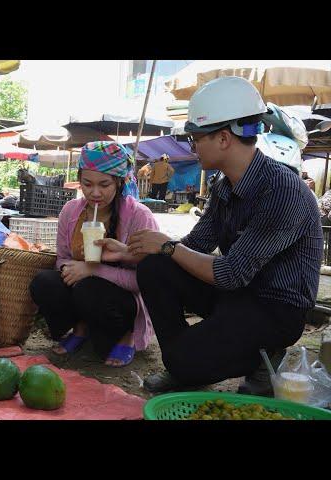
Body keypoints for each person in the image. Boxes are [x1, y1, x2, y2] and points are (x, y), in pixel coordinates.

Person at [131, 76, 323, 395]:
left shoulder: (283, 190)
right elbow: (193, 247)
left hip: (276, 307)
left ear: (223, 138)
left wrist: (165, 245)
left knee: (185, 357)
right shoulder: (224, 187)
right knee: (154, 267)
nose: (192, 146)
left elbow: (231, 273)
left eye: (195, 137)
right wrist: (132, 250)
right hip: (238, 296)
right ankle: (191, 360)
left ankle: (260, 358)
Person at [29, 141, 158, 367]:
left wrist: (94, 269)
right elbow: (62, 257)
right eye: (87, 184)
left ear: (119, 182)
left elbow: (147, 281)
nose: (95, 193)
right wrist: (69, 269)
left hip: (121, 300)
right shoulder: (71, 211)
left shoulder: (140, 216)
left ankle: (126, 335)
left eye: (104, 184)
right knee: (44, 282)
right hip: (84, 292)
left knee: (90, 289)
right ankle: (81, 327)